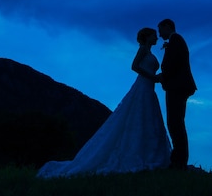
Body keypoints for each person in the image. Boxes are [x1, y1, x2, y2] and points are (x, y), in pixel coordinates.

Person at [37, 28, 171, 178]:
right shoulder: (142, 50)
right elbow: (134, 66)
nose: (156, 37)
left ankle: (148, 153)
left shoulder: (149, 52)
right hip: (143, 86)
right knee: (138, 117)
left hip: (148, 89)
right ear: (147, 37)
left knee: (147, 120)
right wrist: (153, 77)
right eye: (154, 35)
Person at [156, 18, 197, 170]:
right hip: (177, 86)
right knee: (176, 123)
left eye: (160, 31)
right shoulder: (175, 41)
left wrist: (162, 76)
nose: (160, 35)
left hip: (177, 87)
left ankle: (179, 161)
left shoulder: (176, 40)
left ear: (168, 27)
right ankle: (179, 159)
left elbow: (172, 64)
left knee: (175, 123)